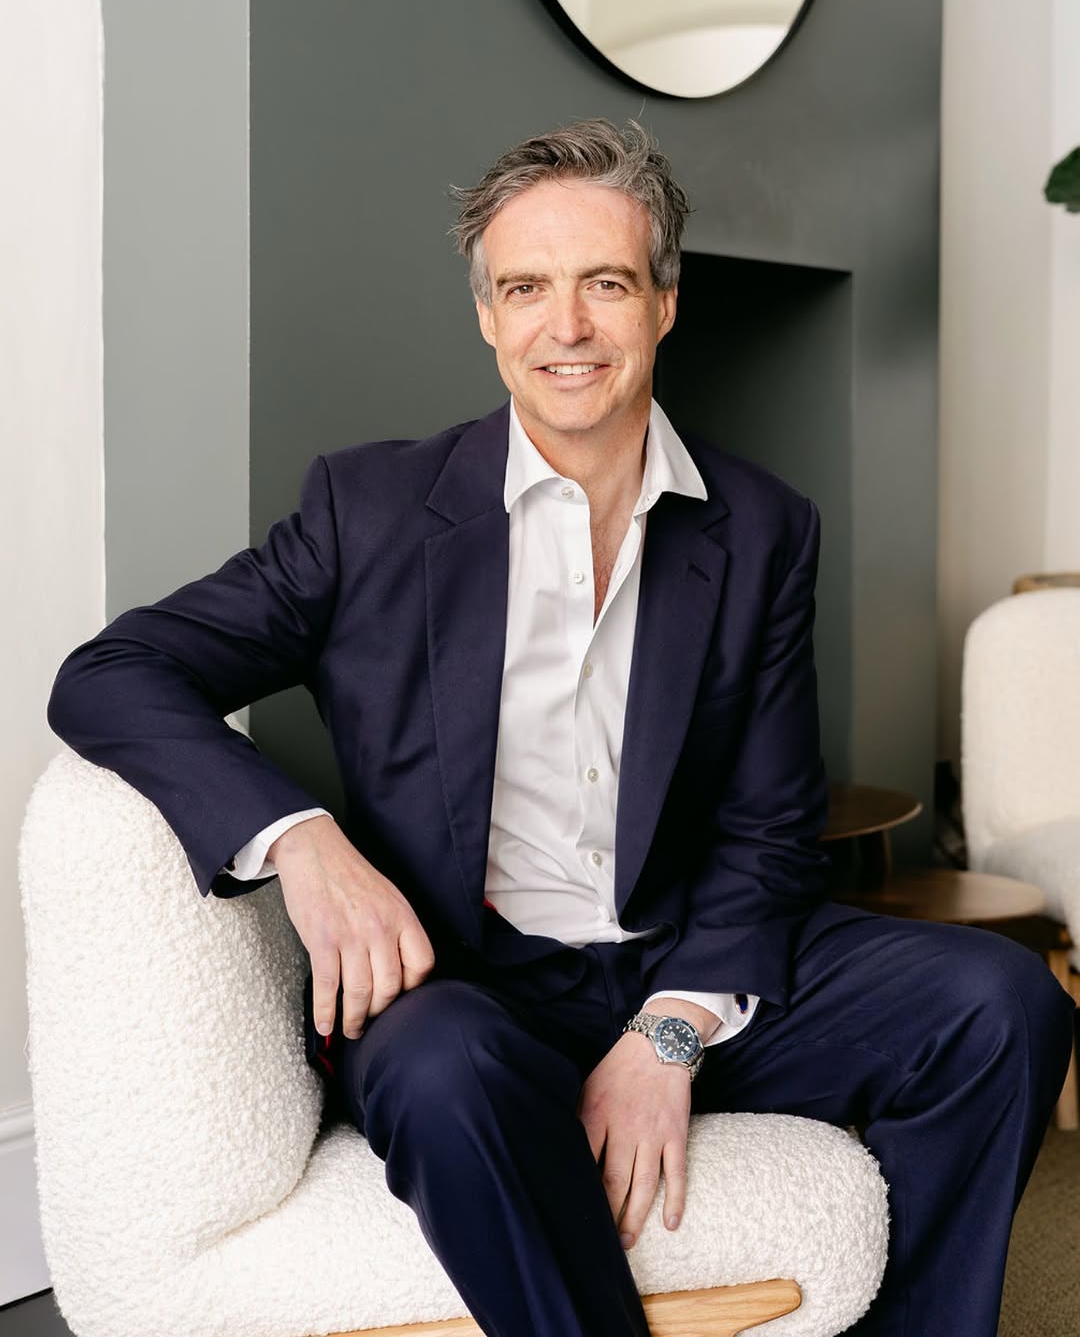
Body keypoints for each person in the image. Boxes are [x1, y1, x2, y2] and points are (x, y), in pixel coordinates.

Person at [49, 119, 1073, 1337]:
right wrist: (302, 841)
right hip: (467, 984)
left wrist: (674, 1034)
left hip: (680, 958)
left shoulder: (761, 527)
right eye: (527, 288)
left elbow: (768, 825)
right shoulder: (368, 512)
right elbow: (113, 671)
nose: (566, 326)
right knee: (441, 1076)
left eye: (605, 283)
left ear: (664, 304)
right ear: (488, 316)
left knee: (1002, 1001)